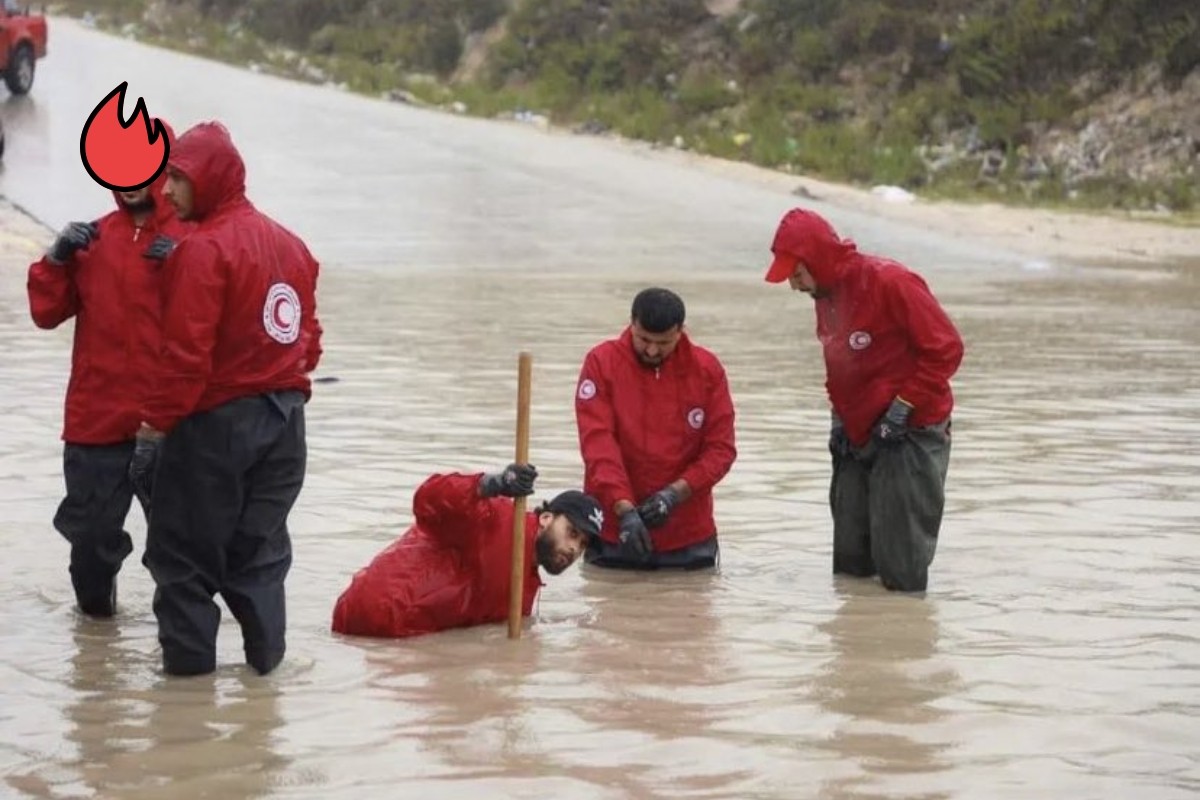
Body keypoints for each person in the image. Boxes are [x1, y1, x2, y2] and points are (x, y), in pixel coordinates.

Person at [132, 121, 324, 677]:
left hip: (216, 429)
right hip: (286, 429)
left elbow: (184, 360)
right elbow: (309, 341)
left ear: (209, 178)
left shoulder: (202, 250)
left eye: (177, 179)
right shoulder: (293, 245)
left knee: (183, 565)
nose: (165, 191)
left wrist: (152, 431)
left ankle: (187, 718)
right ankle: (264, 698)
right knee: (260, 559)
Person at [26, 120, 190, 617]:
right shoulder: (91, 241)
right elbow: (45, 314)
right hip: (96, 423)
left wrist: (187, 263)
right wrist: (55, 260)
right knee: (91, 546)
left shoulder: (195, 239)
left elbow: (227, 325)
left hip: (172, 426)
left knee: (180, 551)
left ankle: (182, 661)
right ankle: (96, 660)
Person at [763, 207, 964, 593]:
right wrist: (840, 421)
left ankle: (904, 643)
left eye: (797, 273)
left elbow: (947, 350)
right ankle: (856, 646)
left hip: (911, 434)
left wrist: (903, 407)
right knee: (850, 567)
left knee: (901, 573)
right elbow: (842, 368)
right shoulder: (825, 294)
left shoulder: (891, 281)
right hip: (857, 433)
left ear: (816, 259)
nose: (794, 285)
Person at [331, 464, 603, 638]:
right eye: (572, 533)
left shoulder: (525, 592)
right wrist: (487, 485)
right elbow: (427, 500)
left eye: (581, 545)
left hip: (406, 640)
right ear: (546, 519)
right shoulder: (498, 516)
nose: (573, 549)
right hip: (371, 617)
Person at [574, 287, 737, 570]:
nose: (651, 350)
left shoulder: (708, 370)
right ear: (631, 324)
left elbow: (721, 451)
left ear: (680, 331)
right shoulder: (601, 362)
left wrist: (673, 495)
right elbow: (598, 445)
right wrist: (623, 507)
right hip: (615, 531)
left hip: (689, 536)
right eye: (644, 339)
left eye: (663, 342)